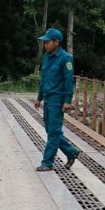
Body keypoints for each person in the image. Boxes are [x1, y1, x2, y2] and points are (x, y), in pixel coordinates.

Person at [34, 27, 79, 172]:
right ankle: (71, 152)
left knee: (53, 132)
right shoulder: (47, 57)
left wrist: (67, 101)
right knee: (51, 130)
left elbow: (69, 81)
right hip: (48, 99)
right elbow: (44, 79)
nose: (45, 45)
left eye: (47, 42)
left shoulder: (65, 58)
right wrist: (39, 97)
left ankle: (47, 162)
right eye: (44, 42)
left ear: (56, 42)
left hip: (58, 101)